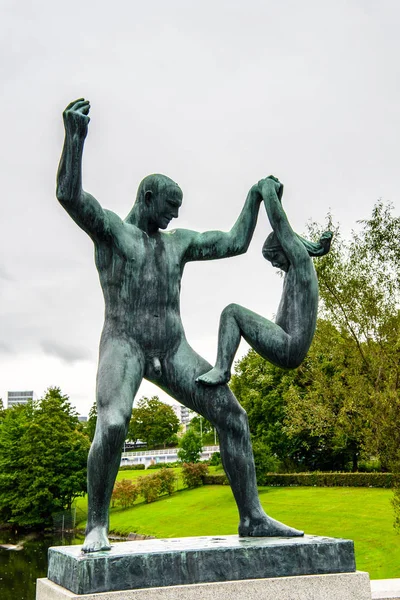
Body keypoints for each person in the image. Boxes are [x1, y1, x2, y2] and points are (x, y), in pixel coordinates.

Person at [57, 98, 303, 553]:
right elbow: (70, 197)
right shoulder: (112, 231)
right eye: (169, 208)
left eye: (179, 210)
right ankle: (96, 525)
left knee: (234, 419)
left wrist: (253, 196)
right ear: (147, 198)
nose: (175, 217)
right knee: (113, 424)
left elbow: (234, 242)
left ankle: (252, 518)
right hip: (124, 342)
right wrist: (75, 139)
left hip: (172, 350)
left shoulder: (178, 244)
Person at [197, 177, 332, 387]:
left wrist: (267, 190)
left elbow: (281, 226)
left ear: (287, 250)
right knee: (233, 313)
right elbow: (284, 230)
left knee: (231, 313)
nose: (274, 265)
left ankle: (222, 369)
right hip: (285, 339)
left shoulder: (301, 265)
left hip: (289, 345)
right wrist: (276, 197)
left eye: (274, 258)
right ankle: (222, 369)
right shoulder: (295, 269)